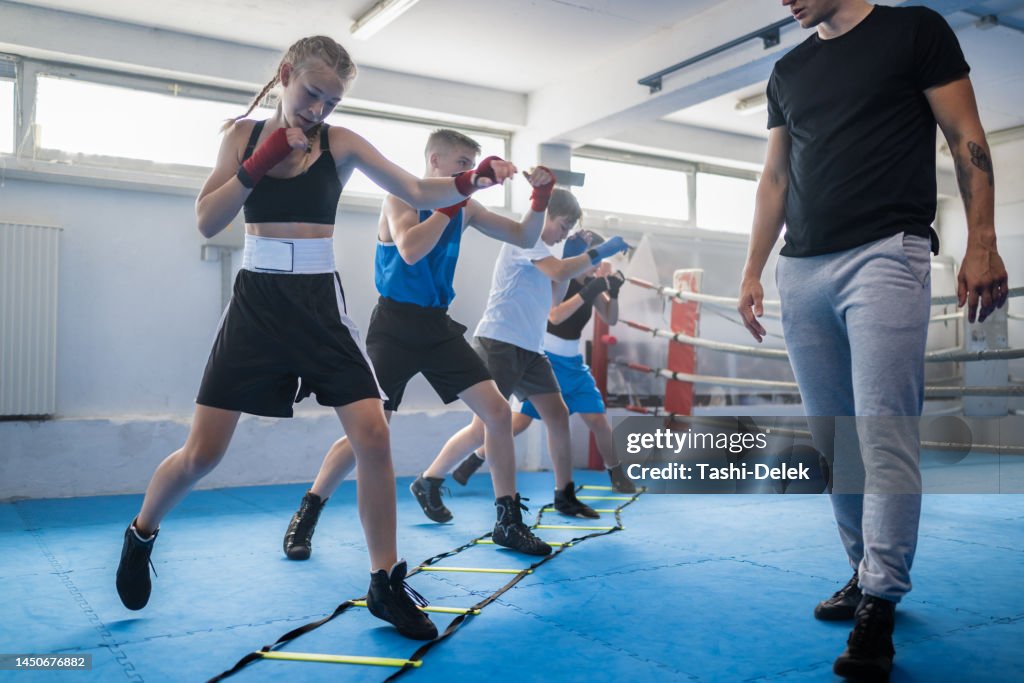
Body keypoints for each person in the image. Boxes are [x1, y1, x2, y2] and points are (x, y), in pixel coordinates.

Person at [115, 35, 518, 641]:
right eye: (311, 94)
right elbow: (207, 219)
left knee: (374, 432)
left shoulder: (342, 143)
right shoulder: (243, 138)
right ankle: (142, 532)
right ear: (284, 76)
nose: (318, 109)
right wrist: (258, 162)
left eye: (331, 100)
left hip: (319, 303)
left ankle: (385, 581)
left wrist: (472, 183)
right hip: (257, 302)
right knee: (203, 453)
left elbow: (417, 190)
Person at [737, 2, 1008, 680]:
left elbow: (964, 132)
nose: (785, 2)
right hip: (801, 267)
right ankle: (862, 569)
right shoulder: (788, 69)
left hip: (887, 253)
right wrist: (750, 270)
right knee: (837, 438)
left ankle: (880, 601)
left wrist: (983, 241)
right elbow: (776, 176)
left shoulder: (914, 30)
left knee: (883, 431)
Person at [281, 128, 557, 561]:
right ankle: (308, 511)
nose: (471, 172)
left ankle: (507, 522)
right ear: (435, 162)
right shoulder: (400, 198)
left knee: (498, 412)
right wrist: (455, 199)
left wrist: (540, 197)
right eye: (463, 164)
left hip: (436, 327)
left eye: (473, 164)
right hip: (394, 326)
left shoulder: (465, 207)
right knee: (370, 433)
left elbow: (524, 236)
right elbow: (410, 249)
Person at [416, 191, 631, 524]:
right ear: (546, 216)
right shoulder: (523, 239)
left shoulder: (549, 253)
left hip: (530, 349)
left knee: (558, 415)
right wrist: (596, 253)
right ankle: (429, 479)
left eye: (571, 227)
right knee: (482, 428)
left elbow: (553, 297)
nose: (565, 232)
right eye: (564, 225)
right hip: (499, 342)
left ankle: (564, 495)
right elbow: (559, 273)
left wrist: (577, 258)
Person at [451, 233, 637, 494]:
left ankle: (616, 474)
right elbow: (555, 316)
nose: (596, 265)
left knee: (598, 420)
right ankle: (473, 460)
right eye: (595, 258)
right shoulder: (562, 277)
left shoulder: (592, 284)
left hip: (573, 364)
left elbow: (611, 317)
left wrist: (613, 294)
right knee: (517, 423)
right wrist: (588, 292)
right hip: (545, 359)